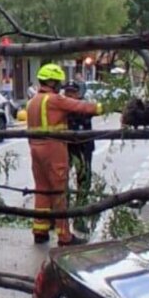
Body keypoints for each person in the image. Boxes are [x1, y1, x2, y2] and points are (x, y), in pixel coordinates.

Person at [25, 64, 102, 246]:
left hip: (35, 149)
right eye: (58, 81)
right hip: (54, 148)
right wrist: (103, 107)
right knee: (60, 192)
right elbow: (80, 107)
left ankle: (40, 231)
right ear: (51, 81)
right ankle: (64, 236)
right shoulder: (54, 100)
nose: (60, 85)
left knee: (42, 190)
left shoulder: (32, 102)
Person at [63, 79, 95, 207]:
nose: (70, 95)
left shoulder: (84, 107)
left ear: (78, 94)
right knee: (62, 179)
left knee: (84, 180)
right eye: (67, 92)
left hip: (84, 148)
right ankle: (63, 210)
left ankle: (80, 212)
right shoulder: (61, 108)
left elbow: (93, 111)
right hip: (67, 148)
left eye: (73, 92)